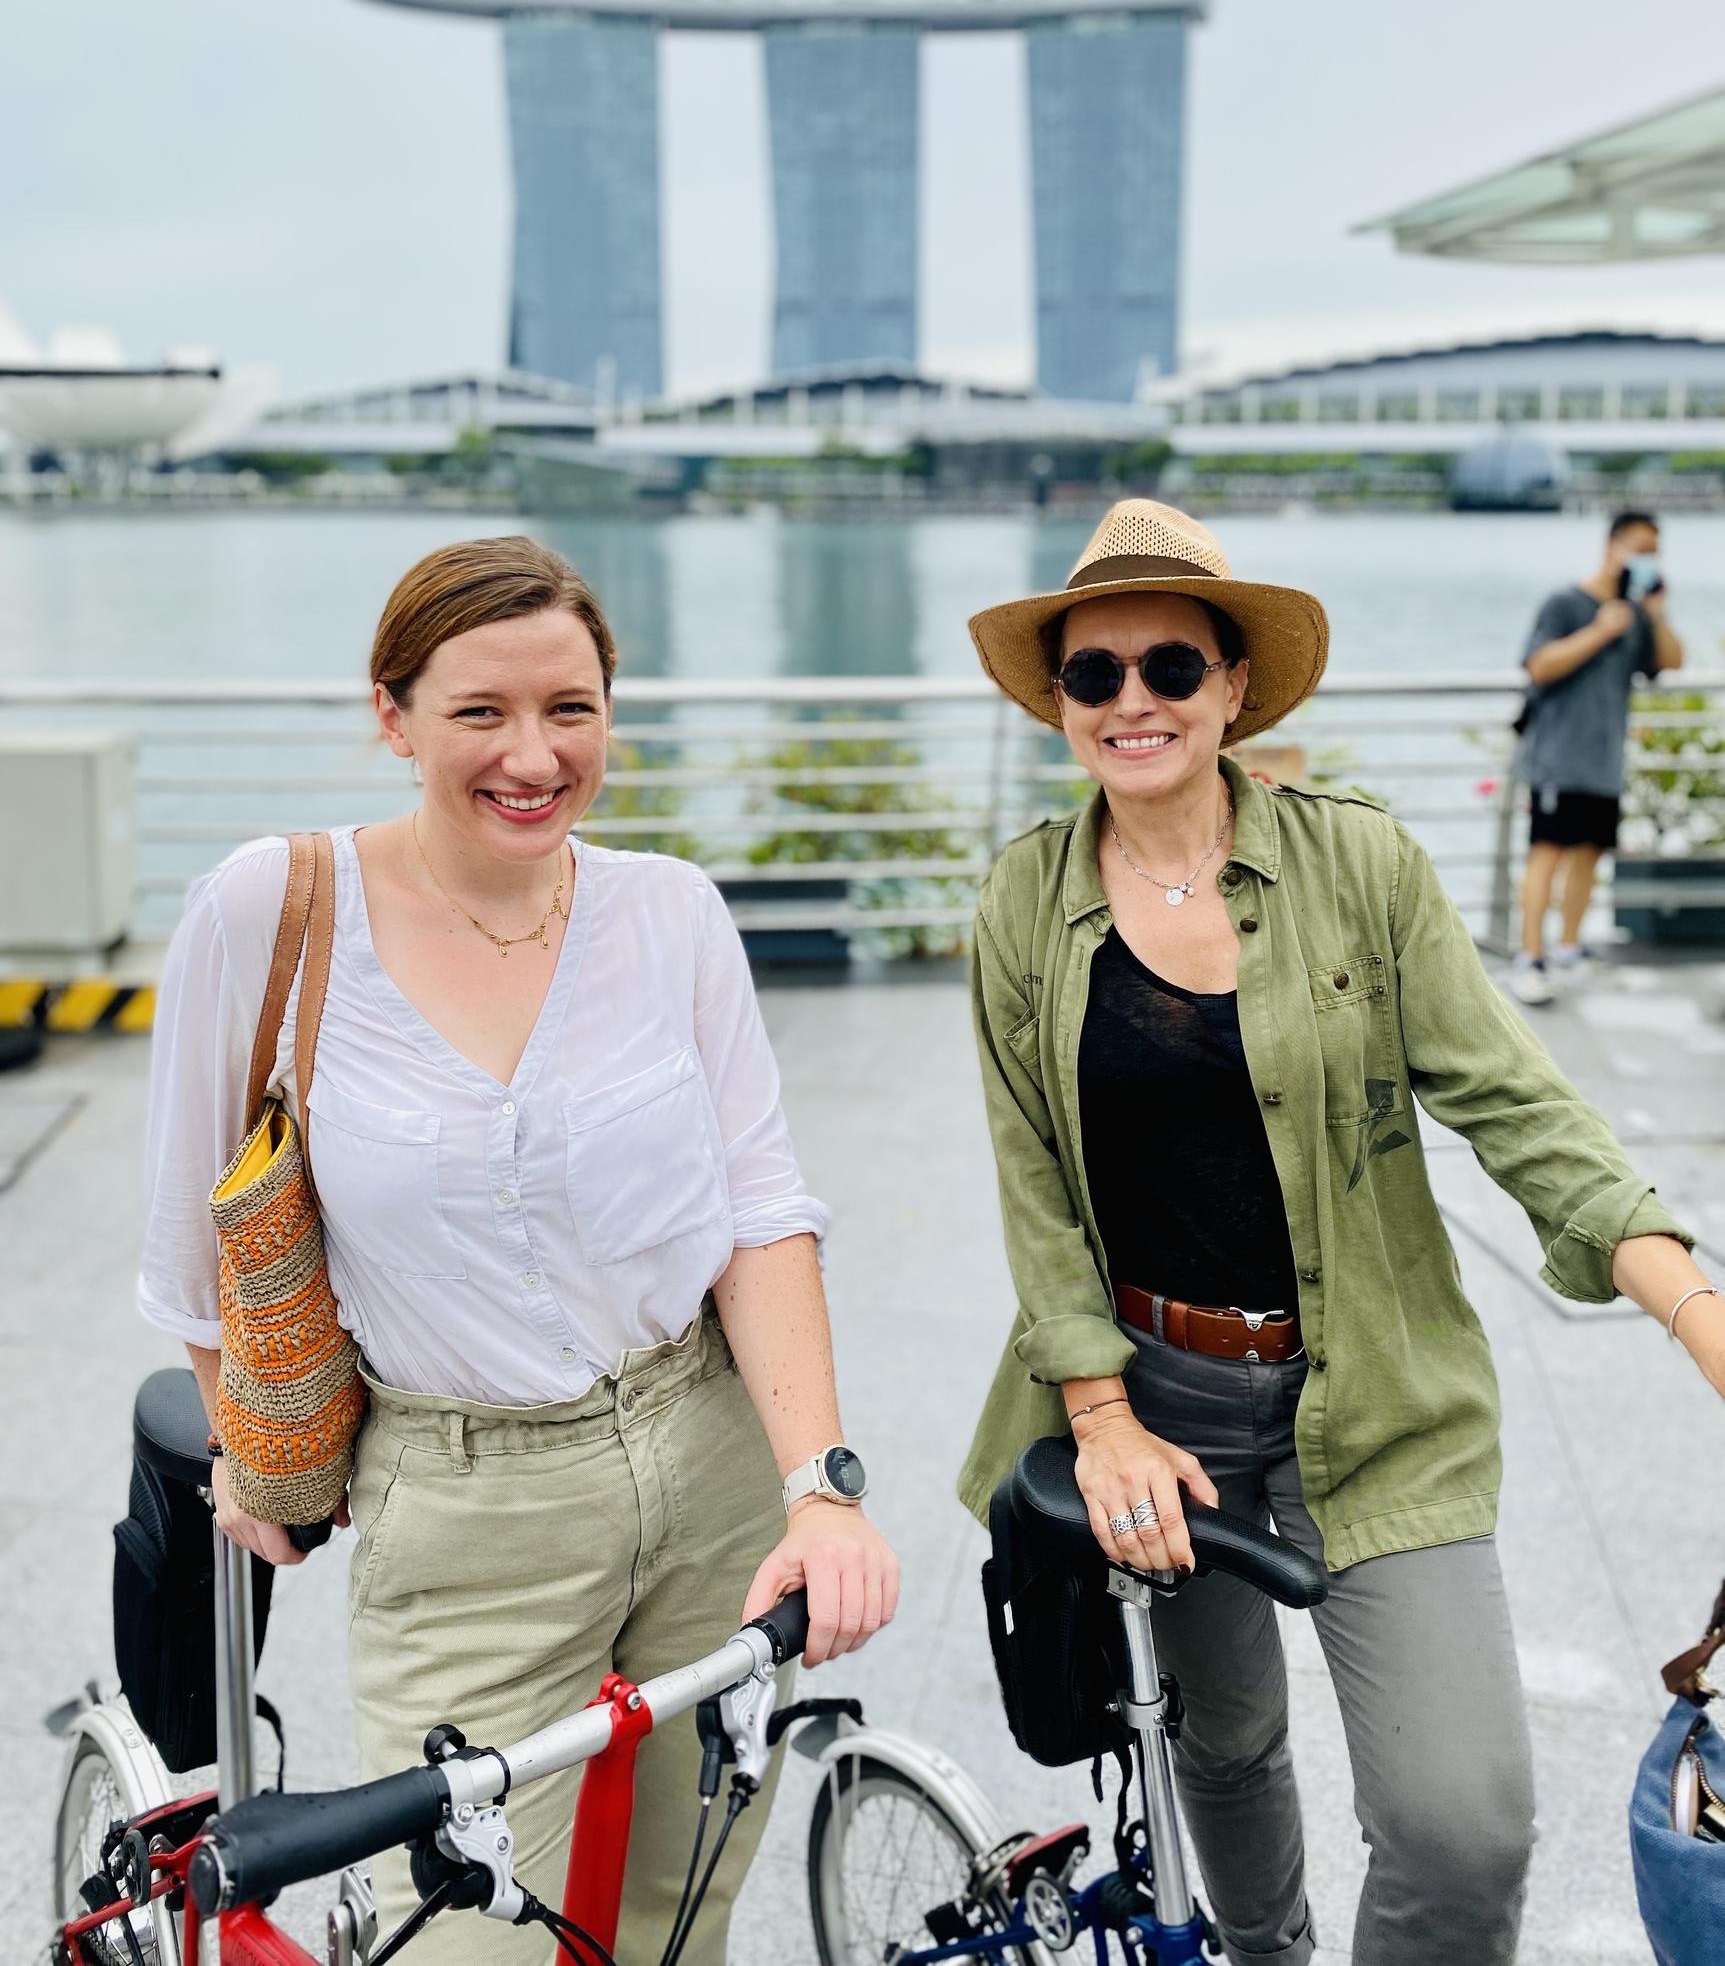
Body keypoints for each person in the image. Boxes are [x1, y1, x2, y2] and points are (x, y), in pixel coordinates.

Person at [958, 499, 1723, 1966]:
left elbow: (1518, 1102)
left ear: (1236, 685)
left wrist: (1690, 1306)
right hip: (1157, 1402)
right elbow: (1033, 1188)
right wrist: (1102, 1416)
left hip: (1377, 1395)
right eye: (1092, 676)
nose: (1133, 704)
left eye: (1170, 668)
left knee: (1464, 1824)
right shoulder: (1019, 905)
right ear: (1058, 701)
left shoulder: (1357, 868)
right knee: (1227, 1752)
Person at [139, 535, 897, 1963]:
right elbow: (191, 1247)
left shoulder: (668, 913)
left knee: (678, 1920)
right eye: (480, 712)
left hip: (711, 1461)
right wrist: (260, 1449)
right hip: (462, 1506)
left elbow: (760, 1211)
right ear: (393, 713)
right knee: (462, 1940)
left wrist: (820, 1493)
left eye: (572, 709)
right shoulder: (274, 909)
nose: (532, 756)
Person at [1511, 509, 1683, 1006]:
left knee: (1590, 853)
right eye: (1638, 547)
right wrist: (1600, 630)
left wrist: (1655, 614)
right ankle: (1531, 958)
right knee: (1547, 853)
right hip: (1557, 757)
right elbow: (1539, 665)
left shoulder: (1637, 614)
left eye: (1654, 550)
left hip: (1605, 759)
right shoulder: (1566, 602)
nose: (1646, 558)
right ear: (1612, 546)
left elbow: (1670, 662)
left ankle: (1569, 949)